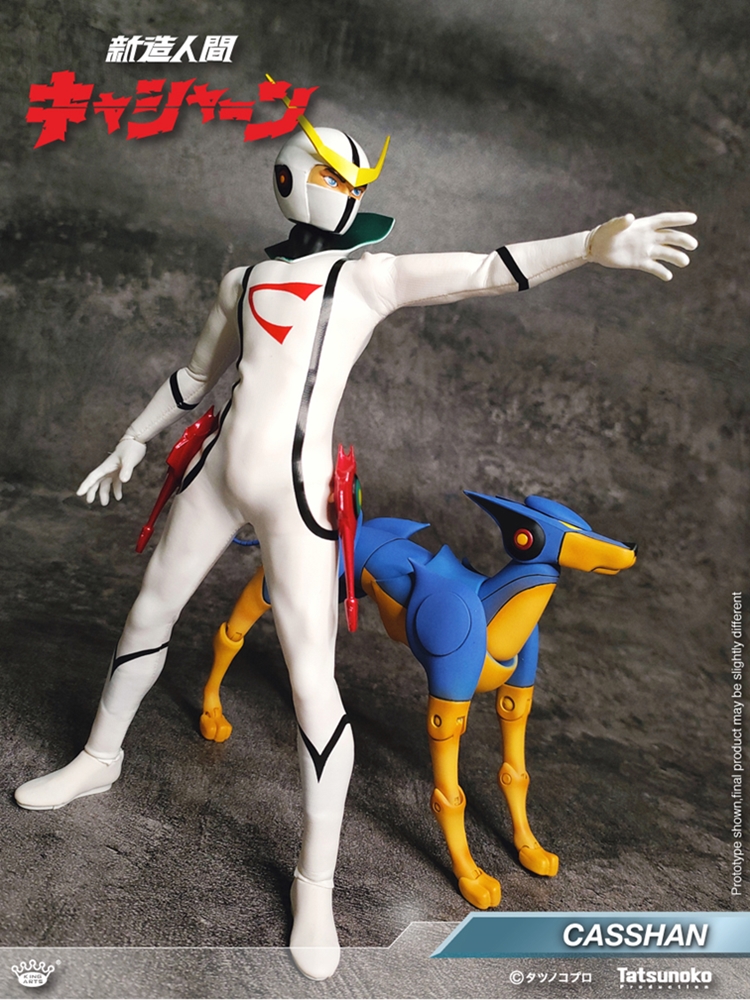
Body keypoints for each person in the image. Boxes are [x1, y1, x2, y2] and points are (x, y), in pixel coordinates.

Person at [14, 112, 697, 980]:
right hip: (214, 475)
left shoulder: (366, 278)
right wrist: (133, 439)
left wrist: (589, 247)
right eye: (331, 177)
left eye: (355, 182)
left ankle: (316, 884)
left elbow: (487, 268)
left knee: (312, 683)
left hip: (298, 499)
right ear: (288, 180)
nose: (346, 194)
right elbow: (195, 377)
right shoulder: (242, 280)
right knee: (149, 610)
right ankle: (98, 758)